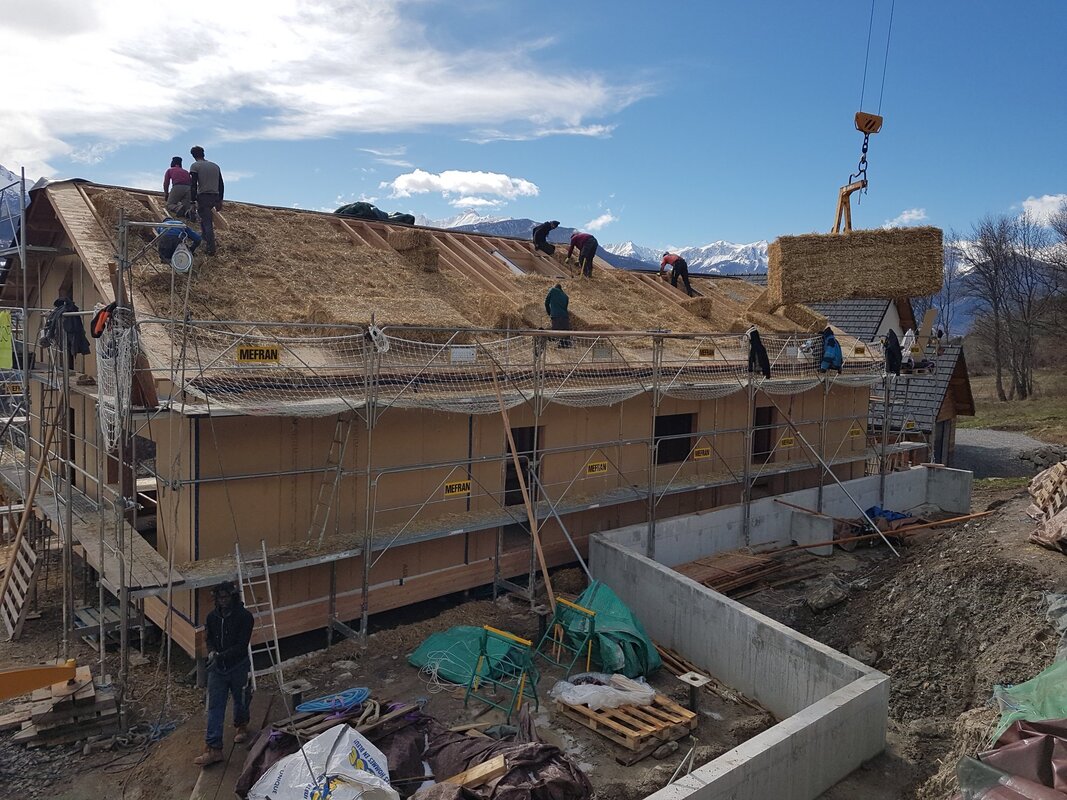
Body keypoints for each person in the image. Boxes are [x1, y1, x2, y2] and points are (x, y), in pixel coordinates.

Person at [194, 581, 253, 767]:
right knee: (214, 706)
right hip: (218, 669)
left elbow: (241, 646)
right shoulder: (212, 617)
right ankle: (214, 748)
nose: (223, 601)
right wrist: (211, 651)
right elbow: (209, 638)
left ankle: (241, 725)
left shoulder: (245, 617)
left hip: (238, 666)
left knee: (241, 699)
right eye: (220, 598)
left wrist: (220, 656)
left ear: (233, 597)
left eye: (226, 597)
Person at [189, 146, 225, 256]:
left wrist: (192, 200)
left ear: (193, 155)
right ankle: (204, 241)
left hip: (203, 196)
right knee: (204, 221)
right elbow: (221, 184)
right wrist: (220, 200)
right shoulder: (215, 166)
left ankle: (211, 249)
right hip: (215, 196)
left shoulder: (195, 166)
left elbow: (193, 184)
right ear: (203, 153)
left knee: (207, 222)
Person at [544, 283, 572, 348]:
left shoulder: (553, 290)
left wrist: (549, 312)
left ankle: (549, 340)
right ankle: (564, 345)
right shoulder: (566, 296)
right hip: (565, 317)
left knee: (555, 332)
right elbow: (565, 308)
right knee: (564, 334)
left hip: (556, 316)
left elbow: (546, 302)